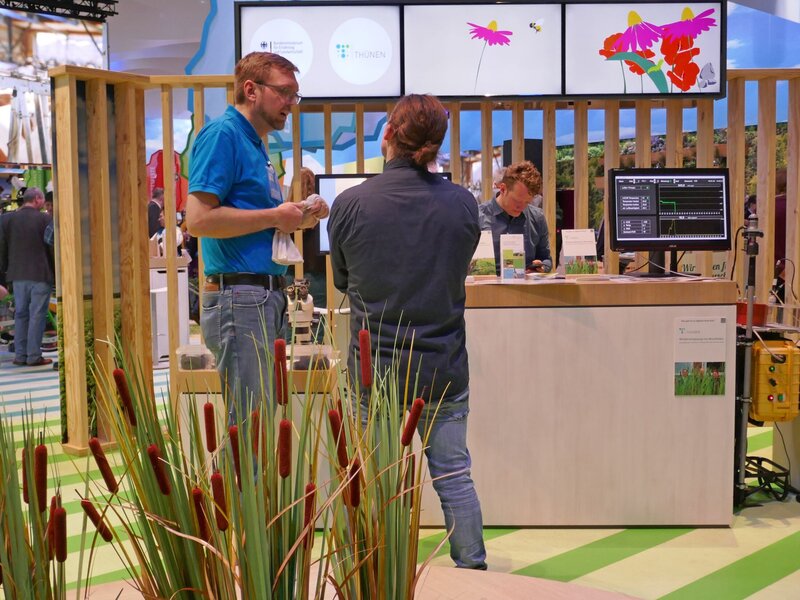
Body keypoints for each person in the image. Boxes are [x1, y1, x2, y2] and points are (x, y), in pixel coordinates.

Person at [328, 93, 487, 570]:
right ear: (437, 142)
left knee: (373, 481)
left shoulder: (350, 204)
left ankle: (374, 574)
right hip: (443, 368)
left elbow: (343, 281)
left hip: (375, 371)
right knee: (454, 475)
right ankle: (473, 570)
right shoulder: (463, 205)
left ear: (389, 135)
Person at [185, 51, 328, 420]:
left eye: (295, 95)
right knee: (251, 426)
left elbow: (254, 222)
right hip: (240, 297)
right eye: (284, 92)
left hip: (259, 296)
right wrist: (276, 215)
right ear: (251, 90)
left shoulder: (254, 143)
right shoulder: (223, 135)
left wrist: (299, 216)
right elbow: (198, 220)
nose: (291, 103)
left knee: (258, 422)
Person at [0, 187, 54, 366]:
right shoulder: (45, 219)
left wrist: (4, 274)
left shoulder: (7, 220)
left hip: (17, 275)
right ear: (37, 199)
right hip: (40, 274)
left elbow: (2, 248)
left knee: (21, 314)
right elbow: (51, 248)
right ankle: (33, 356)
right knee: (37, 315)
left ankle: (20, 355)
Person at [478, 161, 552, 274]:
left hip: (525, 283)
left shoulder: (537, 218)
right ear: (503, 189)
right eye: (517, 201)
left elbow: (546, 259)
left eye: (527, 202)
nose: (521, 207)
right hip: (488, 283)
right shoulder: (478, 216)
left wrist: (542, 266)